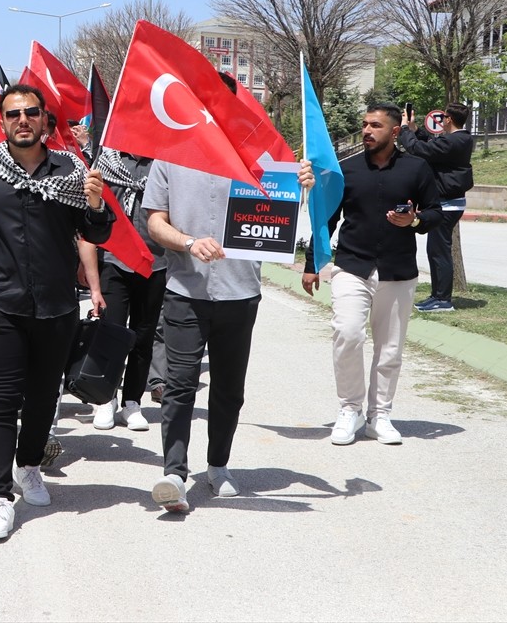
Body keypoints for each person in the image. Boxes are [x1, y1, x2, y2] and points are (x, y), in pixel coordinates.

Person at [0, 83, 112, 541]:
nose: (22, 120)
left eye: (31, 112)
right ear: (2, 122)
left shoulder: (71, 171)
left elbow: (97, 234)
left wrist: (96, 204)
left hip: (56, 308)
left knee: (42, 400)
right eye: (13, 113)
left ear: (44, 121)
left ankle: (29, 466)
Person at [143, 136, 314, 514]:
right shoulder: (168, 156)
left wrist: (301, 184)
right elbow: (154, 222)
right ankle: (174, 474)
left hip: (240, 292)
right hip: (185, 291)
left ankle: (218, 465)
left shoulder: (261, 157)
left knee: (229, 389)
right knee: (179, 385)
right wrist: (188, 242)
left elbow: (283, 208)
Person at [303, 103, 441, 447]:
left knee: (390, 349)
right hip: (352, 266)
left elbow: (437, 212)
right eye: (364, 124)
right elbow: (328, 219)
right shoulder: (345, 169)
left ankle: (379, 416)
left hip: (398, 271)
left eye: (375, 125)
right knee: (347, 334)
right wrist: (311, 263)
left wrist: (415, 220)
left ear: (394, 132)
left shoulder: (417, 168)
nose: (366, 130)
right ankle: (350, 409)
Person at [90, 150, 166, 433]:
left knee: (143, 336)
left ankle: (132, 402)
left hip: (154, 261)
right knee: (111, 333)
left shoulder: (163, 162)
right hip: (115, 258)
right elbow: (93, 209)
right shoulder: (108, 159)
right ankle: (105, 399)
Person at [398, 102, 473, 313]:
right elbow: (430, 144)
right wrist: (414, 129)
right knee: (435, 251)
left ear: (449, 119)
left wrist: (404, 129)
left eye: (443, 117)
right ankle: (437, 296)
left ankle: (443, 300)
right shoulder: (457, 139)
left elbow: (418, 149)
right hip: (447, 204)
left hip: (448, 205)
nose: (441, 120)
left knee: (439, 252)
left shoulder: (455, 140)